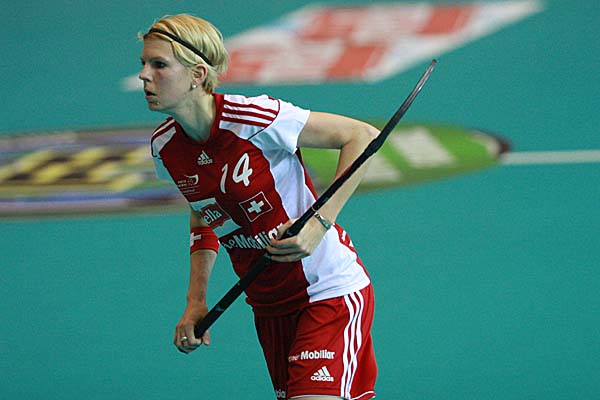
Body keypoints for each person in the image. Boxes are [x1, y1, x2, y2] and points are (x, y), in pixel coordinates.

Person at [139, 14, 379, 400]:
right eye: (144, 64)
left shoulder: (253, 118)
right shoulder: (166, 147)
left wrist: (320, 223)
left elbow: (361, 135)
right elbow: (203, 211)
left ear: (198, 74)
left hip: (327, 290)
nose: (144, 75)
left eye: (159, 65)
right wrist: (195, 301)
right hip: (268, 305)